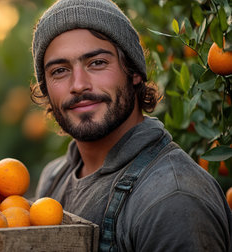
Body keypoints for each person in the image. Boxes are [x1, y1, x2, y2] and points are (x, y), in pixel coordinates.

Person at [30, 0, 232, 251]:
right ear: (46, 89)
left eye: (97, 63)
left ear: (134, 71)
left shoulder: (173, 199)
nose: (78, 84)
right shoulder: (53, 178)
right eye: (60, 70)